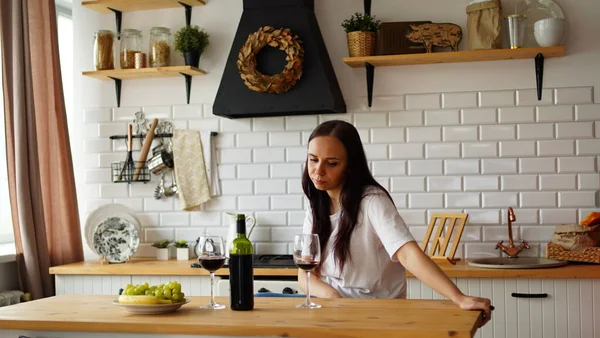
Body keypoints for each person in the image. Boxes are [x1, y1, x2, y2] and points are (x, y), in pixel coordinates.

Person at [298, 120, 493, 327]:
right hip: (338, 313)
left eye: (332, 163)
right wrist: (333, 296)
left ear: (349, 166)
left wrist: (459, 298)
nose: (318, 171)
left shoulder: (372, 201)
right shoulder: (316, 205)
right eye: (313, 160)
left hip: (380, 317)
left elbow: (407, 254)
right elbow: (304, 276)